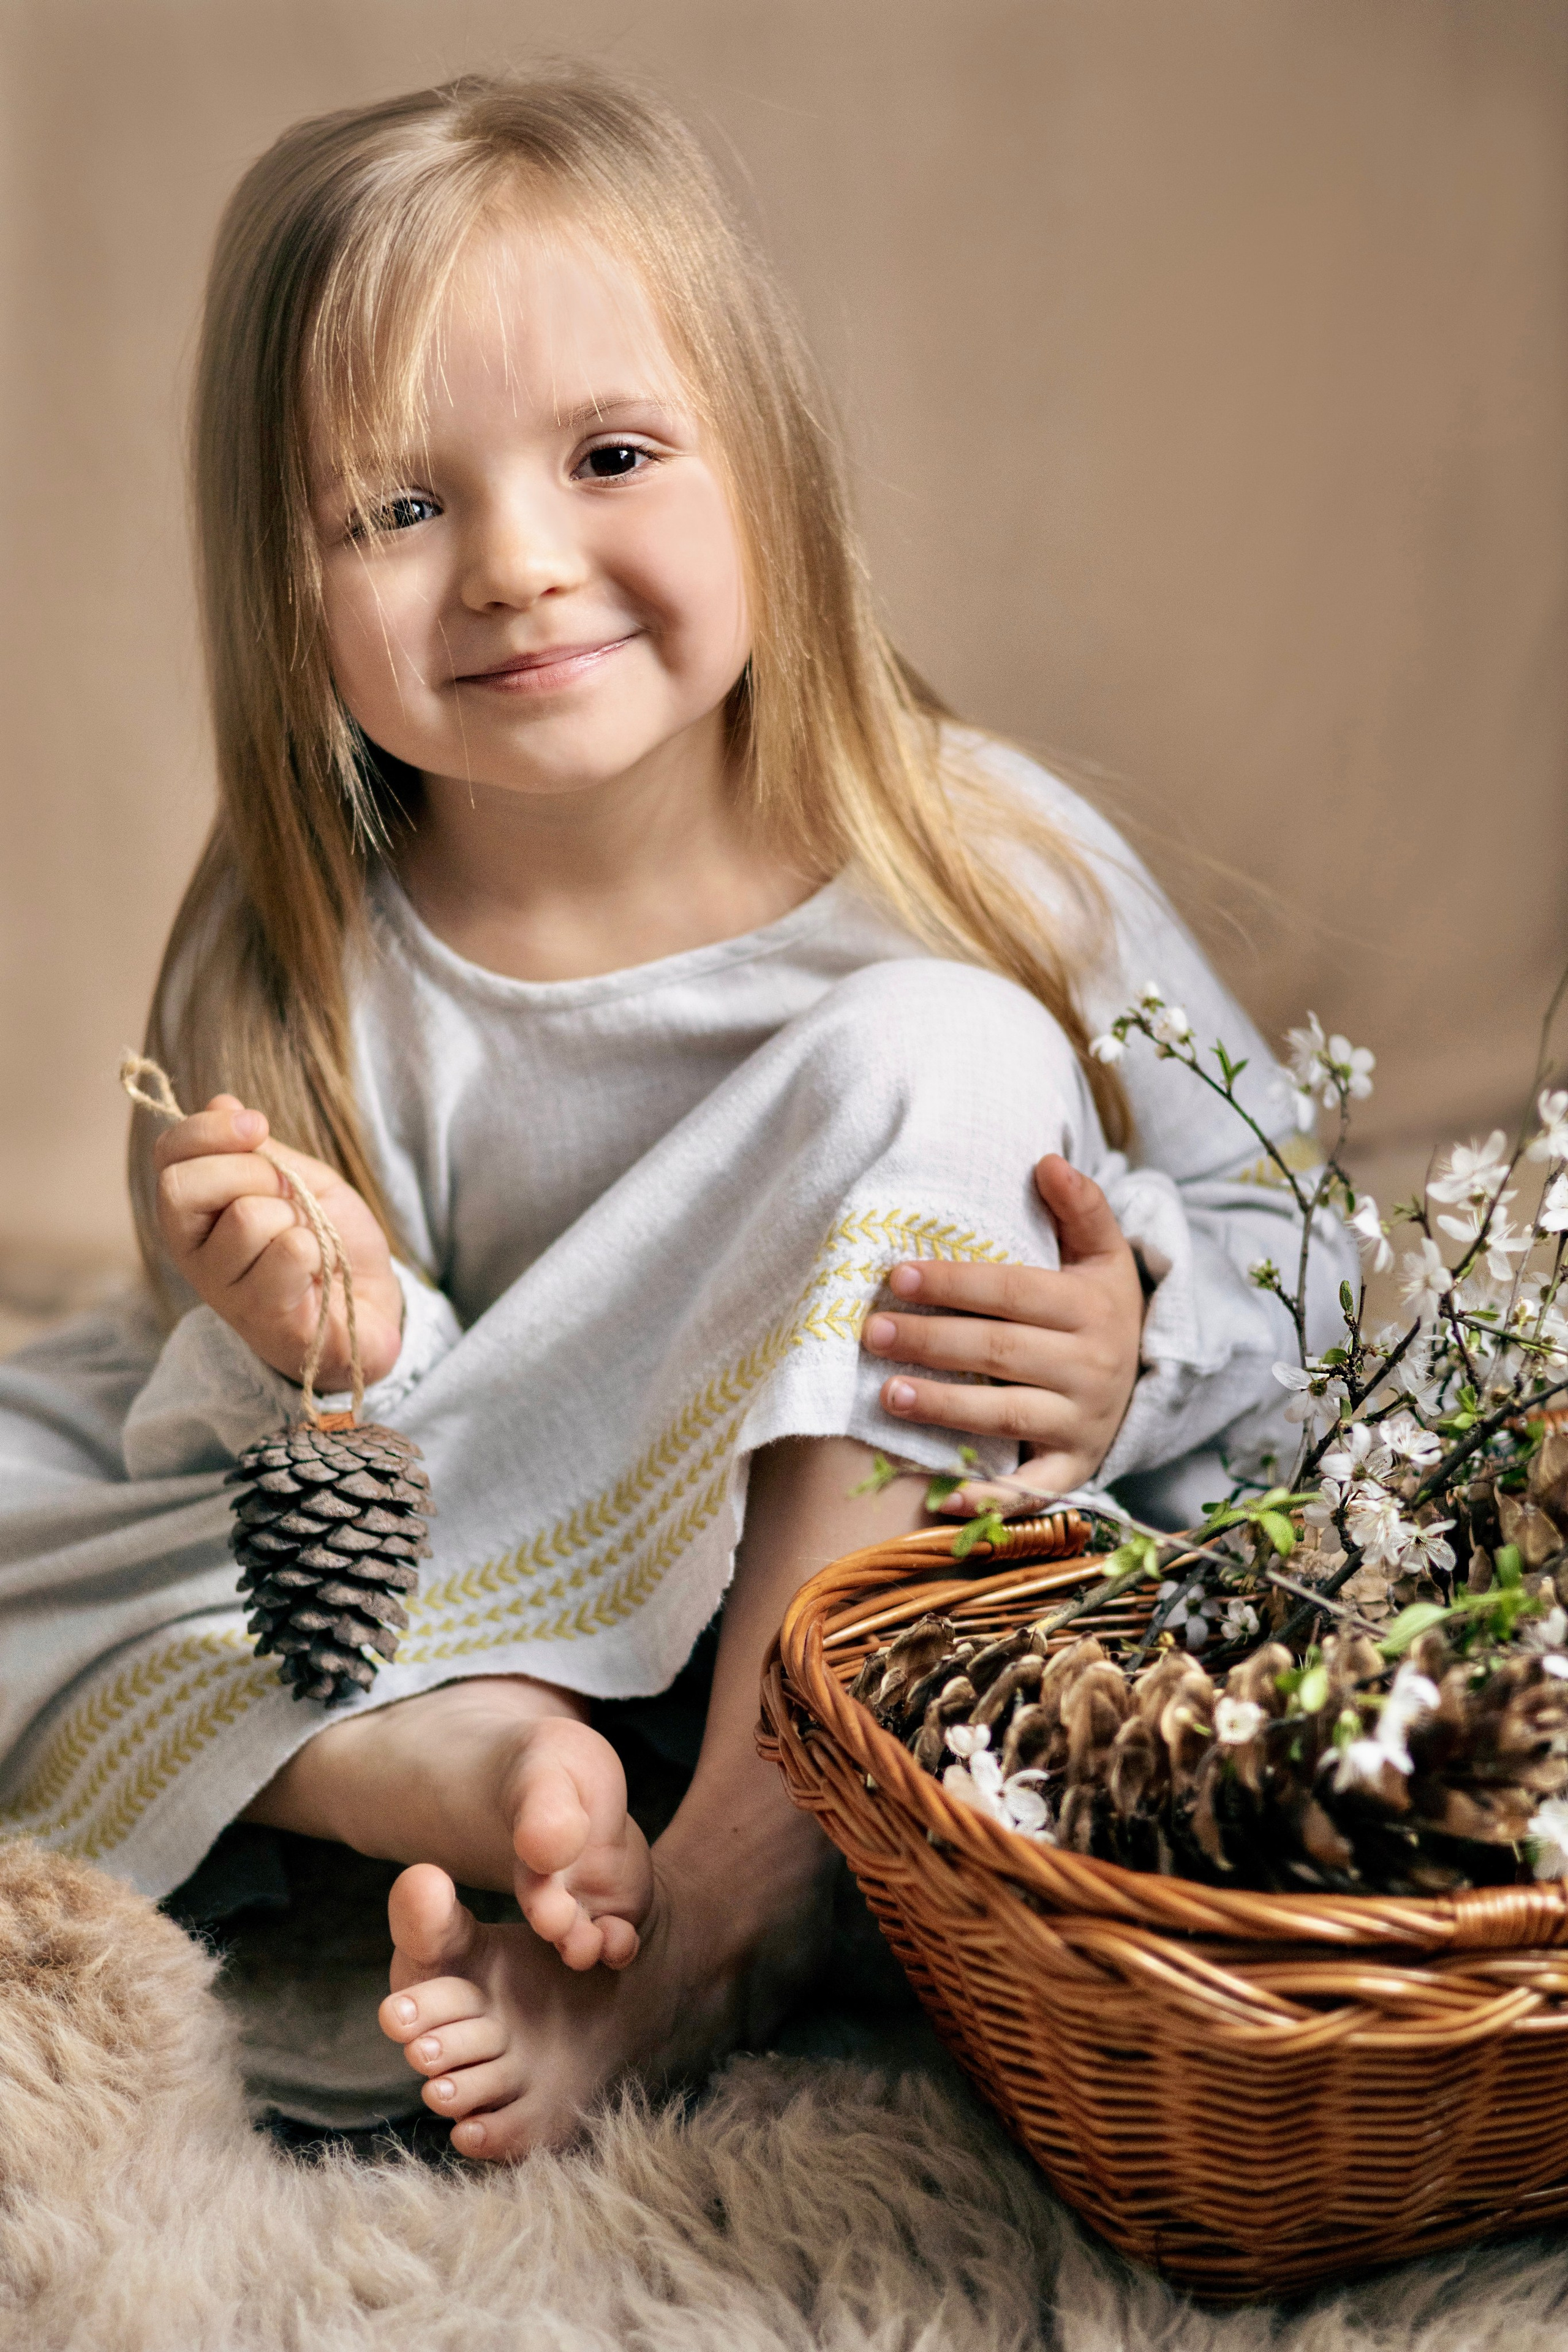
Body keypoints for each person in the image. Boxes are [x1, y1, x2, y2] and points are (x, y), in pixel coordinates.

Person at [0, 68, 1348, 2159]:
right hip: (522, 1578)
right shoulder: (295, 966)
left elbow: (1305, 1247)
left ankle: (739, 1875)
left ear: (769, 477)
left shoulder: (978, 856)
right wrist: (335, 1339)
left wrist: (1130, 1348)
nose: (523, 567)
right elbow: (335, 1479)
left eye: (613, 456)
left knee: (952, 1047)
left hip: (876, 1600)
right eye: (400, 508)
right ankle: (458, 1764)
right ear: (287, 578)